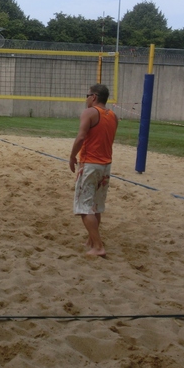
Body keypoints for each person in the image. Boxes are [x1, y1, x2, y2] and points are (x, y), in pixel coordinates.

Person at [69, 84, 118, 257]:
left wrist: (72, 156)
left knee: (84, 207)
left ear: (94, 97)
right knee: (95, 206)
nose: (86, 98)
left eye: (87, 95)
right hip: (105, 165)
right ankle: (91, 239)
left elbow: (81, 137)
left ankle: (98, 246)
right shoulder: (113, 116)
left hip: (90, 163)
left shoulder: (89, 112)